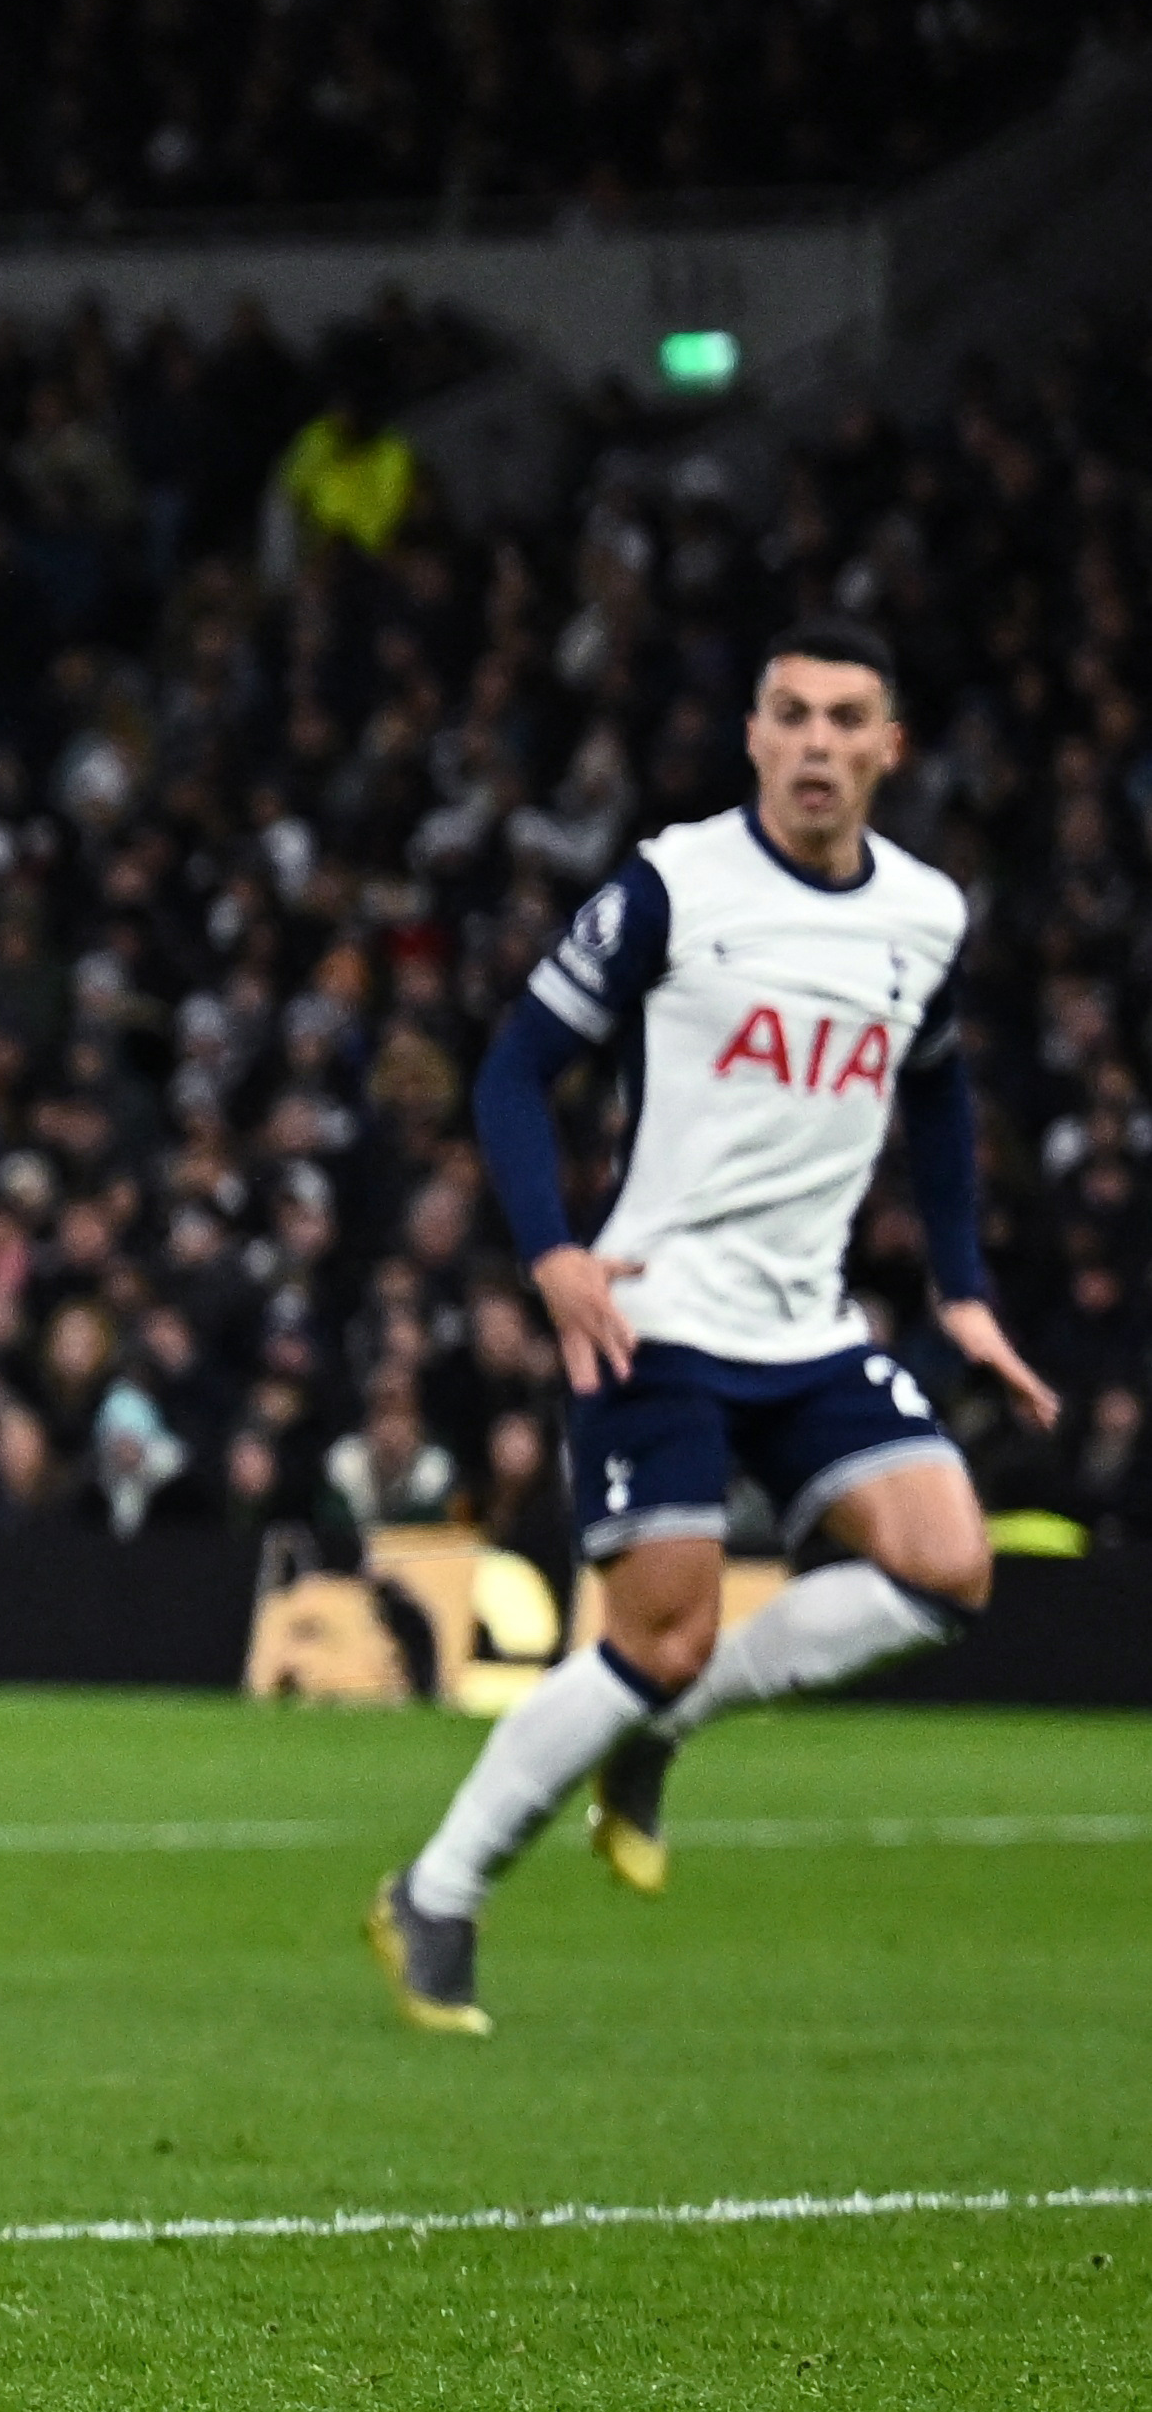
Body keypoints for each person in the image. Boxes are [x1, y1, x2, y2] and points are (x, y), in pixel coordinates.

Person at [369, 618, 1057, 2035]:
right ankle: (436, 1892)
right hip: (655, 1317)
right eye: (790, 714)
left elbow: (936, 1091)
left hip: (808, 1325)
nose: (815, 743)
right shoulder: (677, 888)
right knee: (659, 1633)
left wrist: (967, 1288)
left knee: (947, 1569)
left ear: (888, 747)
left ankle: (659, 1734)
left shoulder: (924, 914)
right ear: (753, 735)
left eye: (845, 718)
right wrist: (553, 1255)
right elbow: (513, 1070)